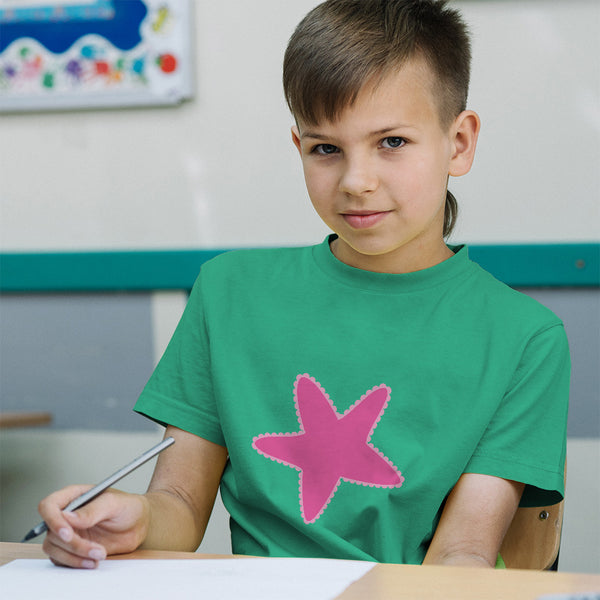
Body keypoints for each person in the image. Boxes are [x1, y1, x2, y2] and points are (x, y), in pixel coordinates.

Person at [38, 0, 569, 570]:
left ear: (459, 143)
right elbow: (180, 505)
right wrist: (135, 518)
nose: (355, 181)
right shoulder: (228, 293)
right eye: (326, 148)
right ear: (299, 148)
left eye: (391, 142)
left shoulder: (525, 338)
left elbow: (462, 552)